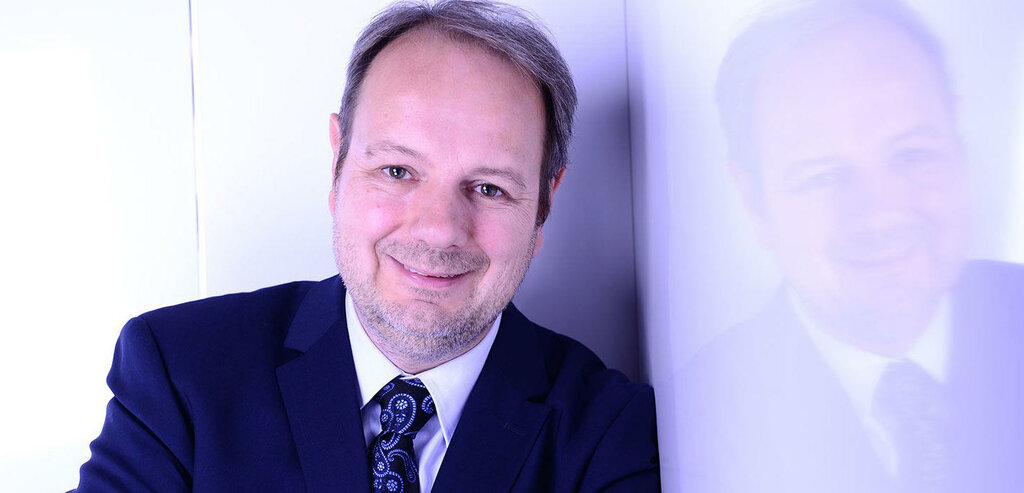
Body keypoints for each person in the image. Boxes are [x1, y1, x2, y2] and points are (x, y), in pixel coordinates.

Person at [74, 1, 659, 491]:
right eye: (398, 171)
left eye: (489, 187)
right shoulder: (179, 374)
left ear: (544, 204)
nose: (438, 230)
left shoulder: (611, 433)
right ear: (338, 162)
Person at [681, 1, 1024, 491]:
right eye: (821, 177)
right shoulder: (692, 426)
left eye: (912, 154)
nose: (880, 214)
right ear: (754, 201)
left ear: (959, 145)